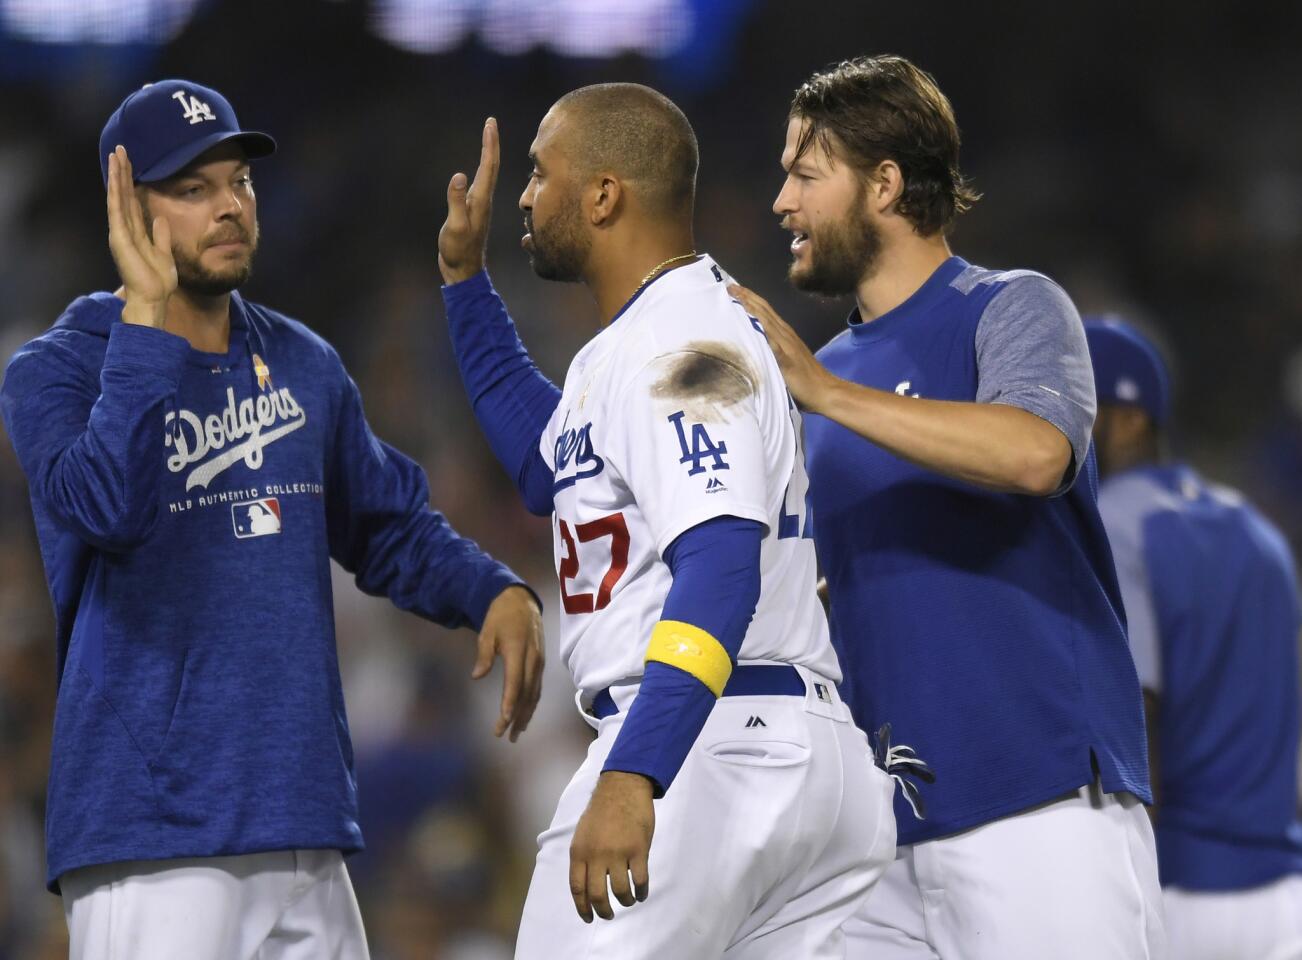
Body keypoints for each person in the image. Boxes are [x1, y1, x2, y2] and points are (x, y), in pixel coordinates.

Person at [0, 79, 544, 960]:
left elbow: (387, 524)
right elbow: (107, 505)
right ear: (126, 212)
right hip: (153, 837)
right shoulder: (57, 370)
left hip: (304, 824)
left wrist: (492, 591)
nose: (228, 207)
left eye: (238, 184)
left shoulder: (302, 361)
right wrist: (145, 325)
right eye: (192, 189)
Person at [437, 84, 896, 958]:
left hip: (713, 748)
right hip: (785, 753)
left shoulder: (679, 345)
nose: (526, 196)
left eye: (541, 173)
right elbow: (548, 465)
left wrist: (634, 775)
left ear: (605, 194)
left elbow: (722, 569)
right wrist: (465, 285)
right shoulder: (649, 334)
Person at [726, 55, 1165, 958]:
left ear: (885, 184)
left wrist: (824, 394)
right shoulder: (820, 382)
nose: (782, 202)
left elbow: (1036, 453)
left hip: (1037, 806)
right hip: (881, 835)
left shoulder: (1010, 308)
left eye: (806, 175)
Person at [1087, 316, 1302, 960]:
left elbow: (1138, 713)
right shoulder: (1254, 529)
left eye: (1077, 403)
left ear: (1129, 420)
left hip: (1181, 889)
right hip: (1283, 894)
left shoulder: (1116, 525)